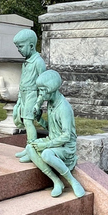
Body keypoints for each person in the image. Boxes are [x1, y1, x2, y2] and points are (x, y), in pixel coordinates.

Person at [25, 70, 85, 198]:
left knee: (46, 154)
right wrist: (40, 119)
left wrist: (45, 145)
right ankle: (56, 181)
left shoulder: (64, 108)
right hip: (53, 141)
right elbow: (52, 129)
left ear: (50, 89)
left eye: (42, 90)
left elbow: (66, 136)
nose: (40, 94)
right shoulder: (51, 104)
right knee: (30, 147)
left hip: (65, 147)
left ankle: (72, 181)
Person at [12, 29, 46, 163]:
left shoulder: (38, 62)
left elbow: (43, 85)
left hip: (32, 94)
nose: (18, 50)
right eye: (17, 47)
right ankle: (28, 148)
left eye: (20, 46)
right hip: (24, 95)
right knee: (25, 122)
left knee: (28, 122)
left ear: (31, 46)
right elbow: (22, 81)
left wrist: (38, 103)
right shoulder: (26, 62)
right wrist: (19, 99)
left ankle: (32, 150)